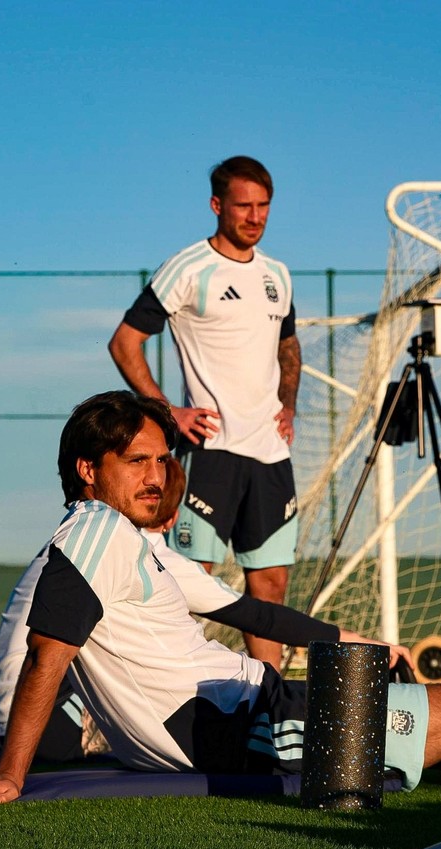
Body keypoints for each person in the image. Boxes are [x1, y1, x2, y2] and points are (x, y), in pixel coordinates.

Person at [0, 391, 441, 807]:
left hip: (250, 707)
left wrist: (359, 641)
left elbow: (252, 613)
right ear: (88, 470)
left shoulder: (134, 545)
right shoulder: (94, 533)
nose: (157, 476)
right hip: (239, 730)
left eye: (162, 461)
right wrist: (10, 774)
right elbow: (48, 653)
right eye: (136, 461)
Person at [0, 449, 397, 763]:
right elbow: (257, 614)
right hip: (48, 725)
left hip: (12, 719)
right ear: (172, 518)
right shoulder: (136, 549)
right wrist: (353, 641)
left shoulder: (78, 538)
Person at [109, 156, 301, 670]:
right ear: (217, 205)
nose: (254, 217)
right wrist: (167, 412)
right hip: (211, 451)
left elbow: (288, 346)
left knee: (271, 586)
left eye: (263, 206)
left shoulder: (278, 275)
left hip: (270, 454)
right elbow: (125, 343)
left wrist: (288, 405)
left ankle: (269, 701)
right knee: (188, 585)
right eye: (243, 206)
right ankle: (162, 694)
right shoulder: (188, 268)